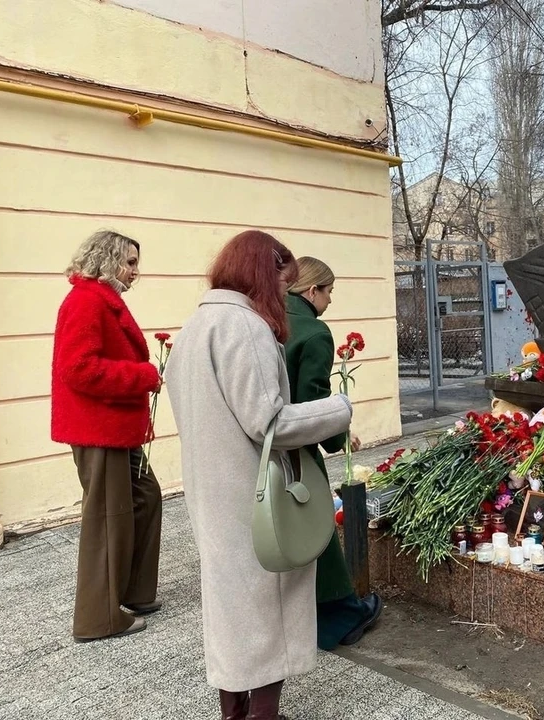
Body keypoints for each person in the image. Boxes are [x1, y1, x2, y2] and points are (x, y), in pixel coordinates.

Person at [165, 231, 353, 720]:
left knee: (231, 609)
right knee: (266, 607)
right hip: (254, 494)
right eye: (282, 281)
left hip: (212, 489)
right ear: (263, 274)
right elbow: (267, 421)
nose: (284, 294)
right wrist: (338, 411)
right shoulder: (243, 328)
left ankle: (234, 712)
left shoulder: (195, 327)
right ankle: (263, 714)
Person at [51, 230, 164, 643]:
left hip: (114, 429)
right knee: (106, 518)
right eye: (130, 262)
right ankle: (98, 618)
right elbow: (78, 368)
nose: (136, 272)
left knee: (145, 497)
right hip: (98, 431)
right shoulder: (85, 301)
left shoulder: (98, 299)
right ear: (108, 258)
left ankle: (131, 593)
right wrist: (143, 377)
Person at [284, 257, 382, 650]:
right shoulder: (314, 333)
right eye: (328, 291)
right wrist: (340, 438)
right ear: (312, 291)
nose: (330, 301)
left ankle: (301, 615)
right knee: (318, 527)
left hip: (262, 447)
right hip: (298, 447)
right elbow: (313, 402)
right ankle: (341, 616)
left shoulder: (268, 322)